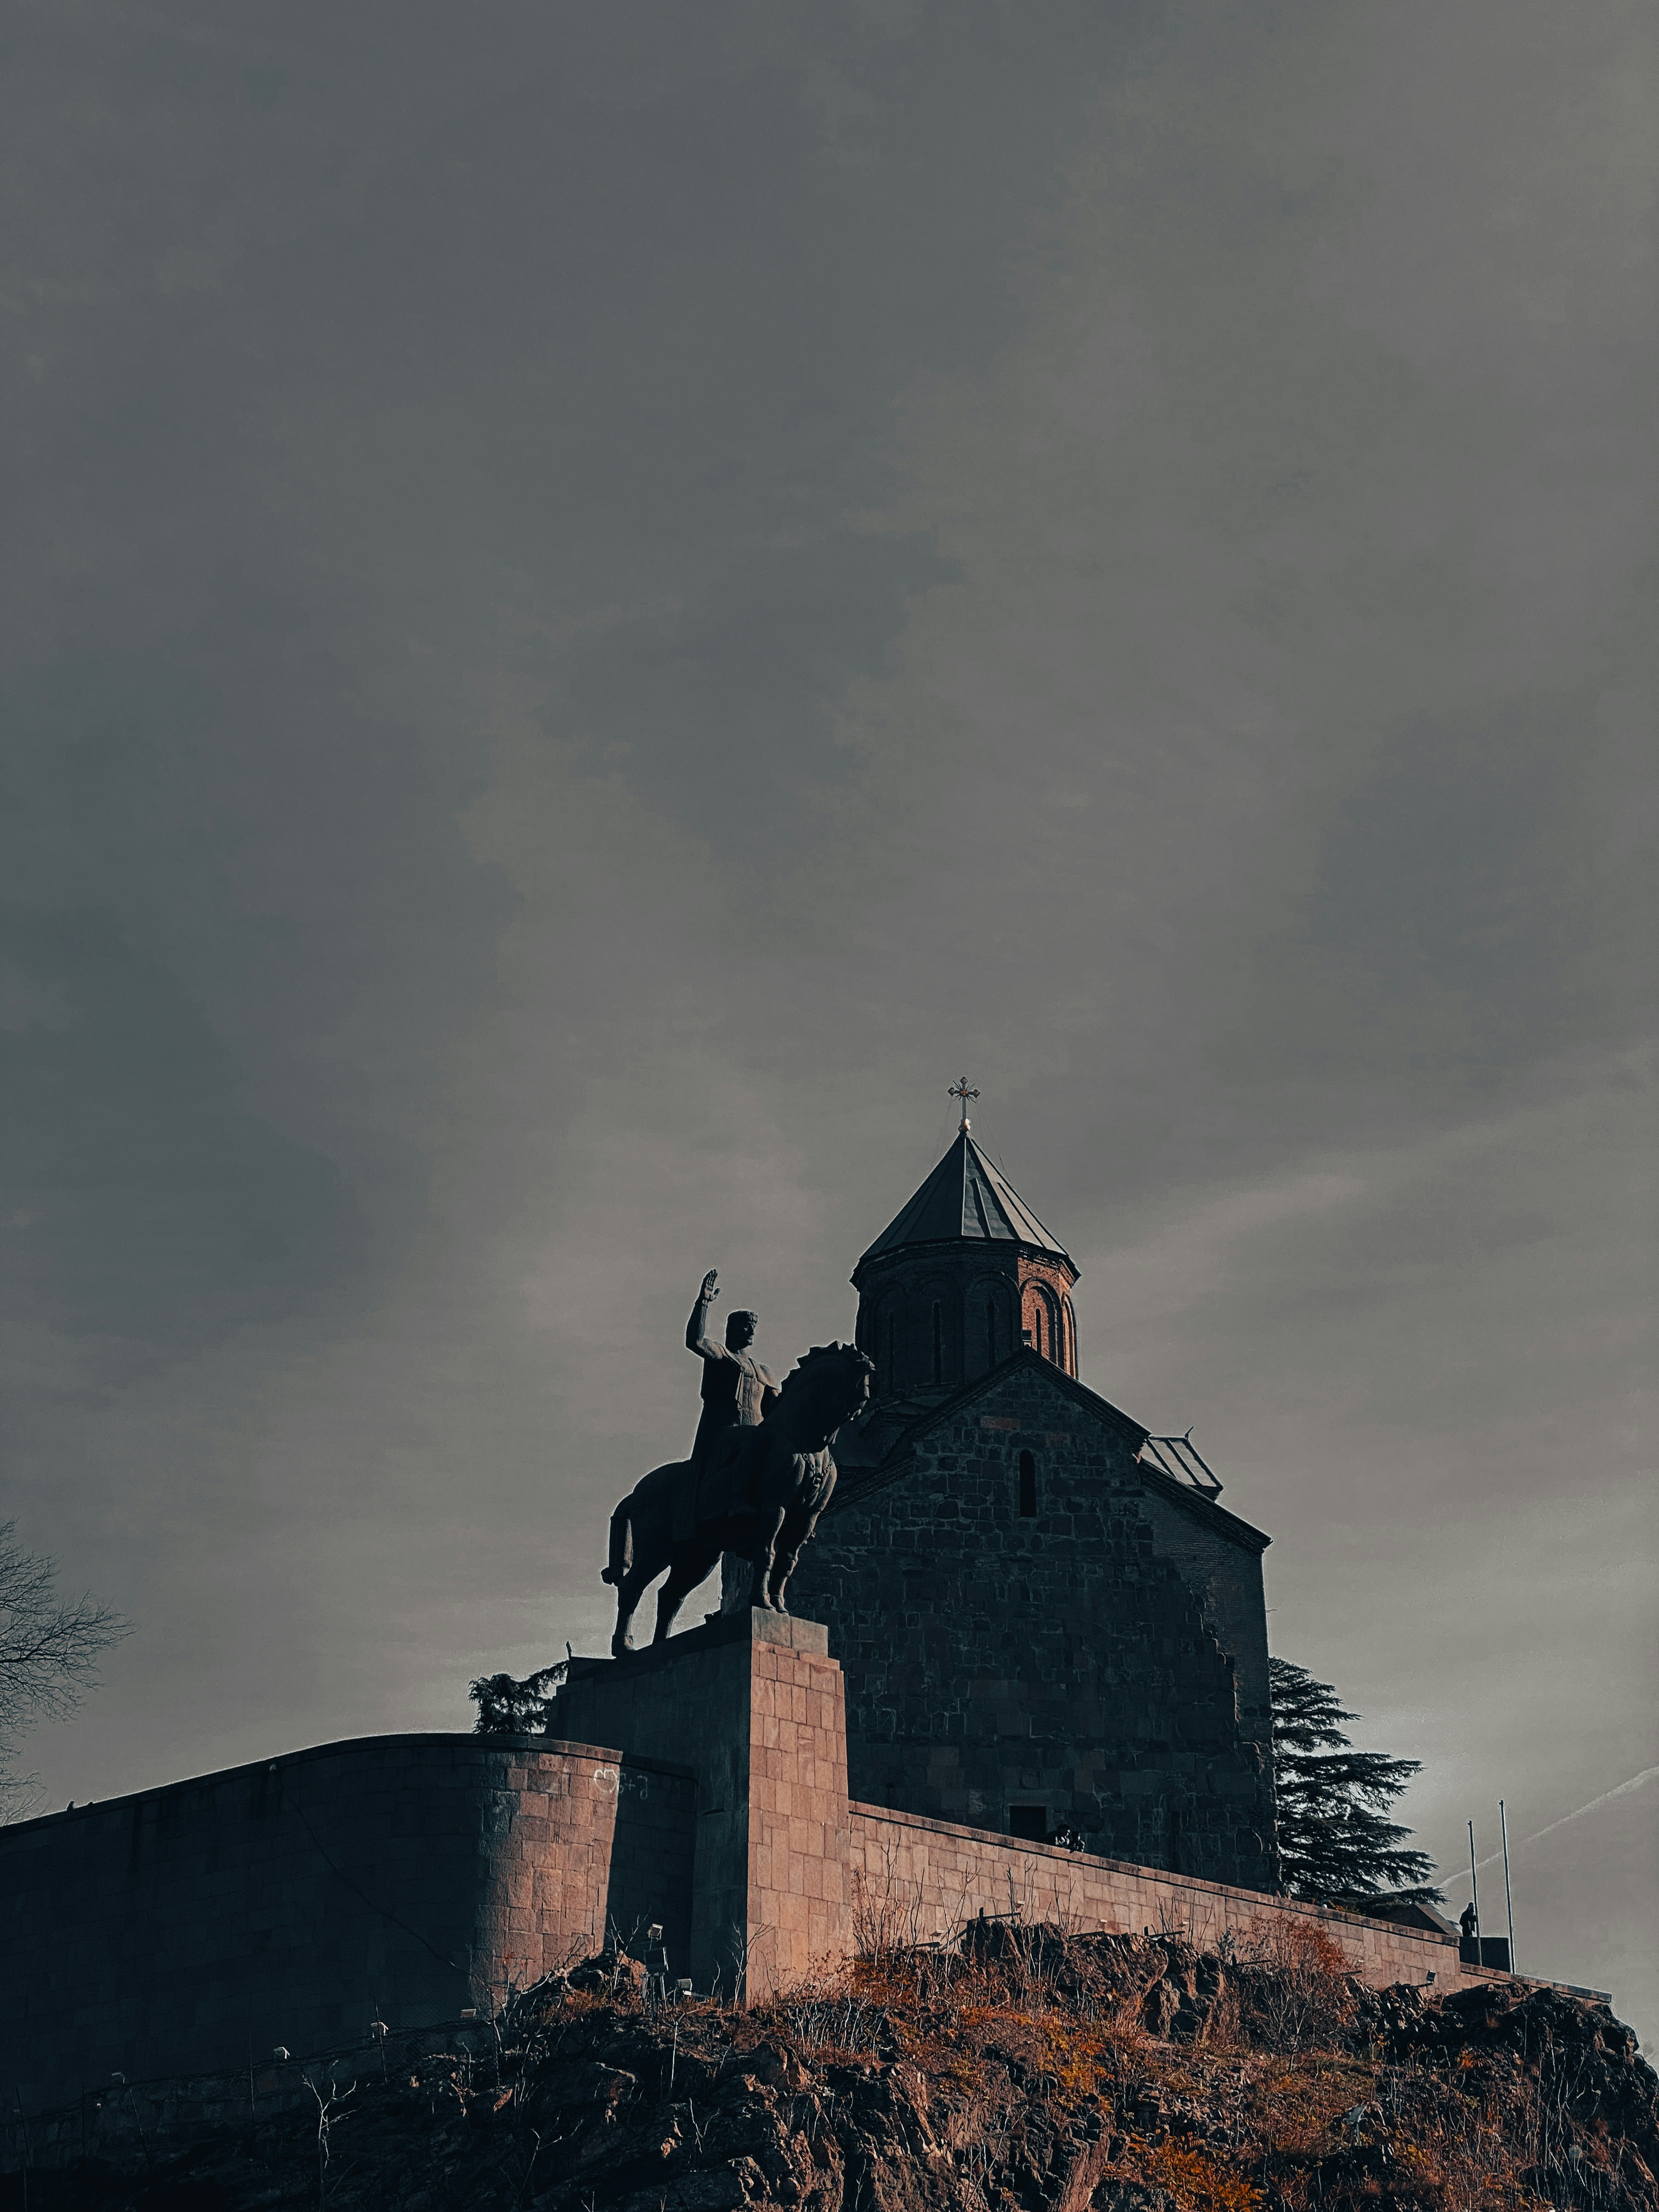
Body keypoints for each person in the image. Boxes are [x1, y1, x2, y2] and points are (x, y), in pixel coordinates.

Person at [676, 1269, 777, 1543]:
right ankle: (737, 1501)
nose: (751, 1330)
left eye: (753, 1325)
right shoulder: (723, 1356)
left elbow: (776, 1410)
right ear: (732, 1329)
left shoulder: (764, 1371)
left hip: (754, 1434)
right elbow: (695, 1341)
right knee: (754, 1439)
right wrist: (704, 1303)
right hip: (725, 1434)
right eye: (745, 1325)